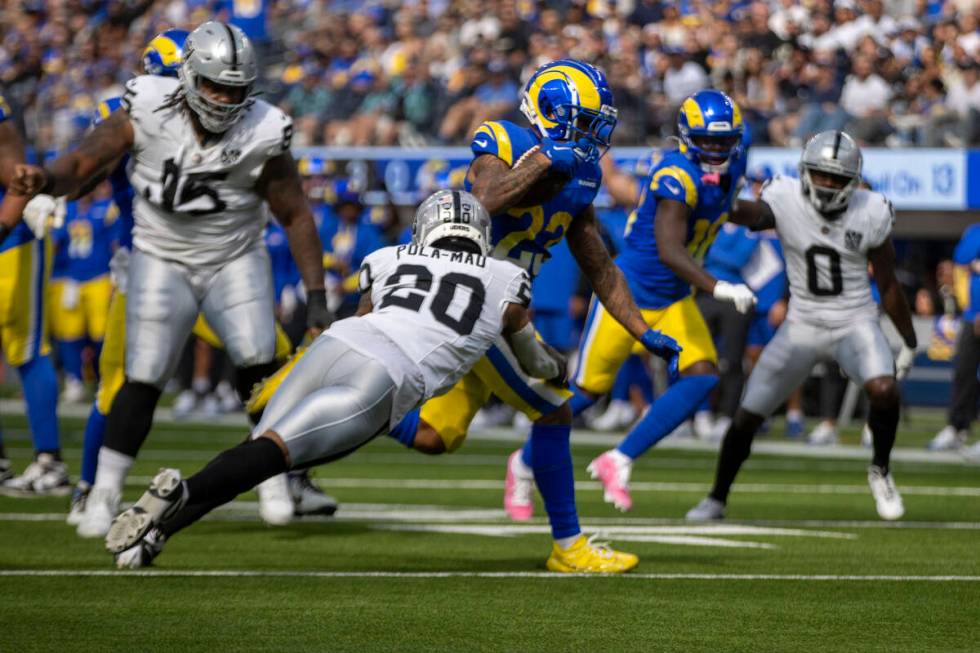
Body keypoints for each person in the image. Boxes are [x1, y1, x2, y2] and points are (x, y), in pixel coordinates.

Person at [248, 59, 679, 572]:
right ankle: (570, 547)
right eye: (581, 122)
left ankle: (325, 408)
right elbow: (483, 201)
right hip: (470, 298)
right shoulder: (504, 141)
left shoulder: (582, 176)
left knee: (436, 437)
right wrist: (544, 160)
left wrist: (642, 330)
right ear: (548, 112)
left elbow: (602, 267)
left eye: (594, 125)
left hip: (494, 309)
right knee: (554, 409)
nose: (590, 135)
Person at [105, 190, 574, 570]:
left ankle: (155, 535)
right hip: (385, 375)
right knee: (272, 455)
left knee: (256, 451)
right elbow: (533, 359)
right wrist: (557, 367)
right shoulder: (505, 278)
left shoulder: (389, 257)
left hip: (335, 345)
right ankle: (180, 492)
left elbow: (366, 314)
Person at [9, 22, 332, 536]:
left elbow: (294, 212)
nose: (224, 100)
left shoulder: (264, 128)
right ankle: (95, 489)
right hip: (153, 259)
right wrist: (50, 183)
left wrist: (317, 296)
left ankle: (280, 475)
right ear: (179, 80)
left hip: (230, 260)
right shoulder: (140, 108)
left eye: (235, 88)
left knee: (263, 363)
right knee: (132, 378)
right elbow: (86, 162)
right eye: (212, 85)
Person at [686, 130, 917, 522]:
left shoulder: (872, 210)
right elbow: (750, 215)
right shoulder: (785, 196)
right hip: (802, 322)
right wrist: (716, 196)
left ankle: (880, 469)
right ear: (804, 172)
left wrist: (908, 340)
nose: (826, 184)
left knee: (884, 388)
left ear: (854, 181)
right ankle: (717, 497)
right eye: (820, 174)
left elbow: (889, 283)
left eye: (836, 177)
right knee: (748, 414)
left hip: (854, 319)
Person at [568, 90, 756, 512]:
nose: (716, 149)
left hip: (672, 300)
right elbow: (670, 251)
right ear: (688, 137)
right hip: (628, 295)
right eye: (707, 140)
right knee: (587, 390)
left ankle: (619, 458)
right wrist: (719, 287)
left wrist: (776, 210)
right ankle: (524, 464)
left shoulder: (729, 170)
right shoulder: (676, 173)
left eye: (724, 141)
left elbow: (728, 209)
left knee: (703, 375)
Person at [0, 96, 67, 495]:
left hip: (10, 236)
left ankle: (50, 460)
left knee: (26, 347)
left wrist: (10, 215)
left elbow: (14, 169)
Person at [927, 223, 979, 452]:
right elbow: (962, 262)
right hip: (971, 315)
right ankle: (957, 428)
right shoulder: (973, 233)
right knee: (964, 371)